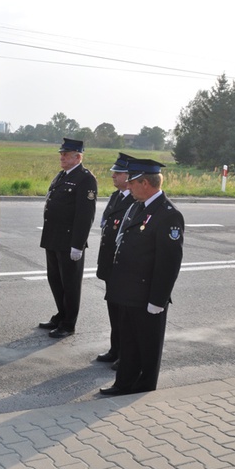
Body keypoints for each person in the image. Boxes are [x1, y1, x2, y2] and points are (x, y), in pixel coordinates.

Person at [99, 158, 184, 396]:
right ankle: (124, 383)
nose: (128, 185)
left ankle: (143, 386)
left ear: (145, 183)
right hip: (127, 291)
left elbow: (169, 263)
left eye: (132, 182)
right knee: (128, 342)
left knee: (146, 344)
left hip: (147, 294)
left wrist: (158, 300)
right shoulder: (138, 205)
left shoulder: (168, 215)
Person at [38, 138, 97, 338]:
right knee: (55, 279)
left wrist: (78, 245)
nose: (61, 157)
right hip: (53, 238)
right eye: (61, 154)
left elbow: (85, 215)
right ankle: (61, 315)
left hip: (69, 241)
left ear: (77, 157)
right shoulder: (62, 175)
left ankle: (69, 324)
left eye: (66, 154)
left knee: (70, 283)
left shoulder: (85, 178)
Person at [95, 153, 135, 367]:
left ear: (128, 177)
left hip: (122, 267)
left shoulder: (135, 202)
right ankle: (115, 349)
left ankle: (124, 354)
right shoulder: (116, 197)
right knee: (113, 309)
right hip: (110, 264)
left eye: (117, 173)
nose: (113, 175)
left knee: (124, 314)